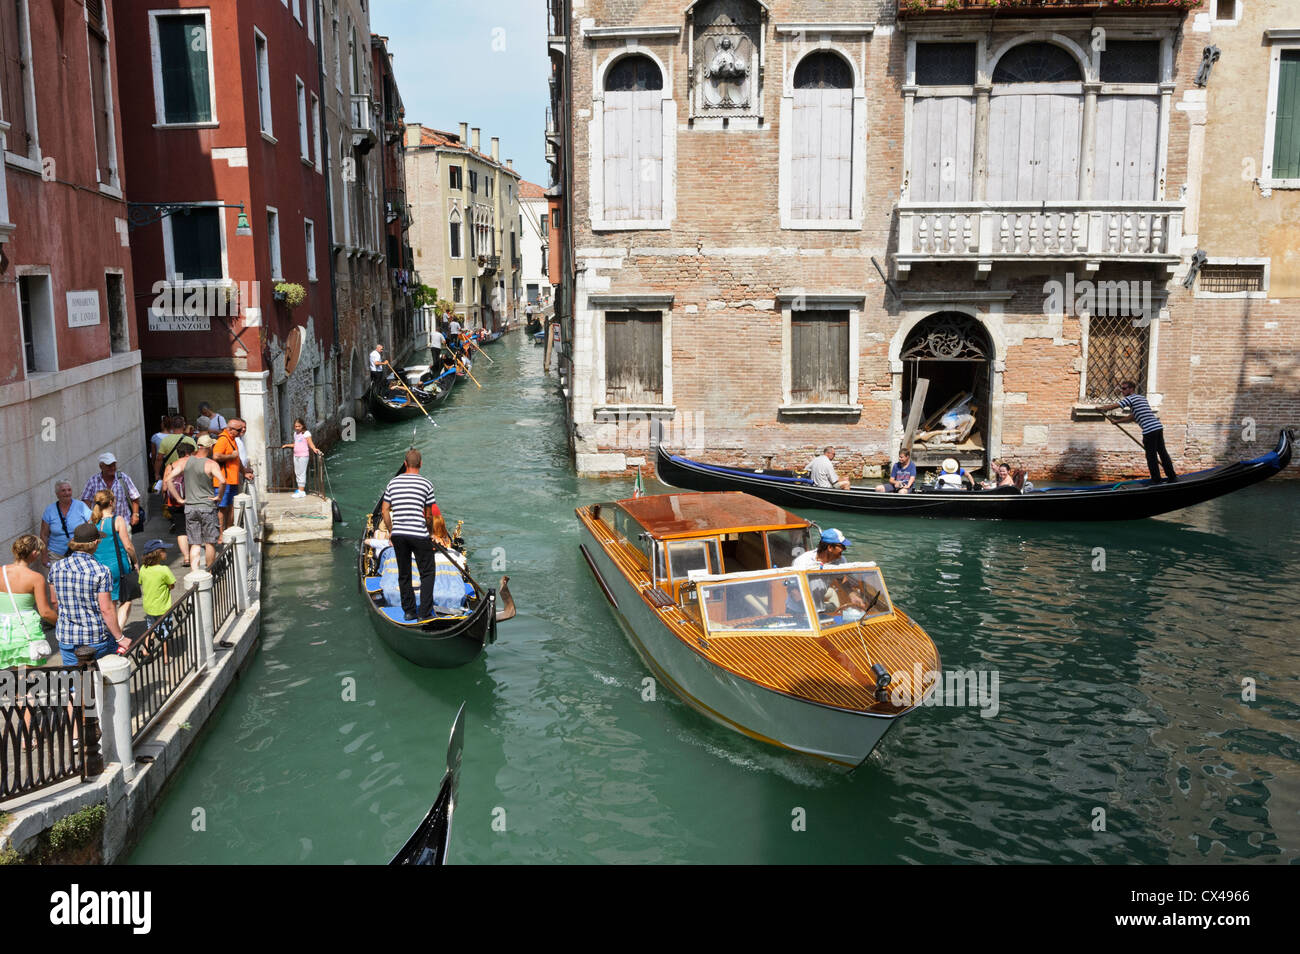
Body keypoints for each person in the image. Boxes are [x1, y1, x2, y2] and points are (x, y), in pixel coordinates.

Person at [47, 522, 128, 663]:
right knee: (100, 675)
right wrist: (120, 638)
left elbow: (54, 601)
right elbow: (106, 609)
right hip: (94, 637)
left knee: (73, 678)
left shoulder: (56, 567)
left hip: (67, 637)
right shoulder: (101, 571)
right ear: (96, 542)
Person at [380, 448, 440, 622]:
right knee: (427, 573)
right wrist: (429, 533)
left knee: (404, 573)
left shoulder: (393, 483)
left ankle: (409, 611)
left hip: (399, 535)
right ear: (420, 464)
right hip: (419, 534)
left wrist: (391, 531)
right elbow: (429, 515)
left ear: (405, 464)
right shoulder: (426, 484)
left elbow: (384, 510)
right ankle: (424, 612)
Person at [1097, 381, 1177, 483]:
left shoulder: (1130, 399)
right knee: (1162, 453)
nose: (1122, 391)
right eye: (1122, 389)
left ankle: (1156, 480)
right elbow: (1133, 416)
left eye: (1124, 389)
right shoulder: (1142, 398)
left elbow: (1115, 406)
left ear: (1131, 389)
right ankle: (1172, 476)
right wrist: (1117, 421)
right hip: (1157, 427)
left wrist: (1101, 408)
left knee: (1151, 456)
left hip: (1149, 431)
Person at [0, 535, 57, 667]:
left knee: (12, 672)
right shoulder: (36, 578)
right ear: (34, 553)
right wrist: (61, 623)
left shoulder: (0, 572)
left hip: (3, 629)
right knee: (28, 673)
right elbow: (45, 612)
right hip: (26, 628)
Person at [90, 490, 137, 630]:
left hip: (100, 568)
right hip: (118, 566)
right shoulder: (117, 520)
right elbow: (128, 545)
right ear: (111, 502)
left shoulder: (93, 522)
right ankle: (118, 632)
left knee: (109, 603)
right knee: (127, 599)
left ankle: (111, 631)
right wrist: (135, 561)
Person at [184, 435, 225, 569]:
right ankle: (209, 572)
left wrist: (179, 498)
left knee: (195, 543)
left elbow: (169, 478)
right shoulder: (211, 464)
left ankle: (195, 573)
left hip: (190, 507)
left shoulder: (187, 461)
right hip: (207, 507)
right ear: (210, 447)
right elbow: (223, 481)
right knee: (209, 542)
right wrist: (219, 496)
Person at [81, 452, 142, 532]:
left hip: (123, 525)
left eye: (114, 465)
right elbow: (86, 501)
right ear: (101, 466)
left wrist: (135, 514)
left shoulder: (123, 478)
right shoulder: (93, 481)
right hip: (101, 527)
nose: (112, 468)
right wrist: (89, 520)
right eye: (109, 466)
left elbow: (135, 497)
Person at [41, 479, 93, 561]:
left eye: (69, 490)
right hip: (56, 555)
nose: (67, 493)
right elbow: (44, 534)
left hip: (79, 552)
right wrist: (44, 555)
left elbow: (93, 524)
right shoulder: (50, 510)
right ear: (57, 494)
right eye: (63, 491)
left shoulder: (80, 506)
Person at [161, 443, 192, 563]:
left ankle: (186, 557)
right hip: (192, 500)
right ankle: (193, 554)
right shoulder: (193, 464)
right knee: (192, 528)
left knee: (181, 530)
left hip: (174, 502)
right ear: (189, 453)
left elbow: (164, 487)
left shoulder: (170, 466)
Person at [212, 419, 245, 530]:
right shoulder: (223, 439)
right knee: (222, 508)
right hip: (223, 481)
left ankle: (229, 529)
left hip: (232, 480)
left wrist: (245, 471)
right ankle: (222, 534)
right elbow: (216, 456)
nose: (241, 432)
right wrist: (231, 456)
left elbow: (237, 458)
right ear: (230, 430)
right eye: (239, 430)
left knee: (231, 507)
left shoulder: (232, 439)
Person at [138, 539, 177, 634]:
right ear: (158, 554)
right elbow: (172, 585)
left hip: (149, 607)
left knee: (150, 630)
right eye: (164, 550)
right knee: (165, 632)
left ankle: (145, 649)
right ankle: (165, 649)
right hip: (162, 608)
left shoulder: (143, 568)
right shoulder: (164, 570)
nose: (166, 552)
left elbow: (141, 581)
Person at [282, 418, 324, 498]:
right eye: (296, 426)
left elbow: (310, 444)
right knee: (297, 472)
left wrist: (315, 449)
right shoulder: (295, 434)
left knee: (302, 473)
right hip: (296, 455)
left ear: (303, 426)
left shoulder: (306, 433)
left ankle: (301, 491)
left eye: (299, 426)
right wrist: (287, 445)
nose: (297, 428)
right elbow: (296, 444)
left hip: (303, 456)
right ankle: (300, 489)